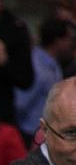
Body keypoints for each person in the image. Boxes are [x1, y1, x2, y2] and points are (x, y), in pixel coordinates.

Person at [15, 18, 74, 147]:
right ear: (58, 41)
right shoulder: (36, 66)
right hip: (28, 137)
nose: (72, 44)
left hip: (44, 136)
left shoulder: (54, 65)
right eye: (70, 39)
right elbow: (20, 104)